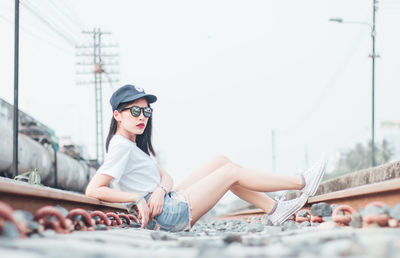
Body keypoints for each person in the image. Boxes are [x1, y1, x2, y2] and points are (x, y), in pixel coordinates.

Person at [85, 84, 327, 232]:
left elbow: (167, 177)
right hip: (166, 217)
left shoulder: (132, 146)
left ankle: (274, 209)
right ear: (117, 115)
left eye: (146, 111)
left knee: (220, 161)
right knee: (231, 172)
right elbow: (94, 189)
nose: (142, 117)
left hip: (166, 201)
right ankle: (302, 182)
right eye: (135, 111)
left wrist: (159, 190)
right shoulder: (121, 147)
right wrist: (137, 198)